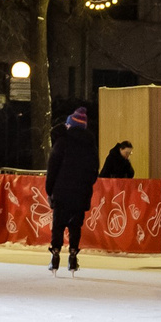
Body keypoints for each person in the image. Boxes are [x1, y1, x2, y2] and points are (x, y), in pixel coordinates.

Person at [44, 104, 99, 273]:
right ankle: (73, 256)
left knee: (58, 224)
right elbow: (94, 170)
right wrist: (86, 185)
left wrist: (50, 189)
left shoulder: (62, 142)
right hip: (80, 193)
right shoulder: (90, 145)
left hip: (61, 191)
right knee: (75, 225)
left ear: (71, 124)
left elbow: (53, 167)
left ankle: (55, 255)